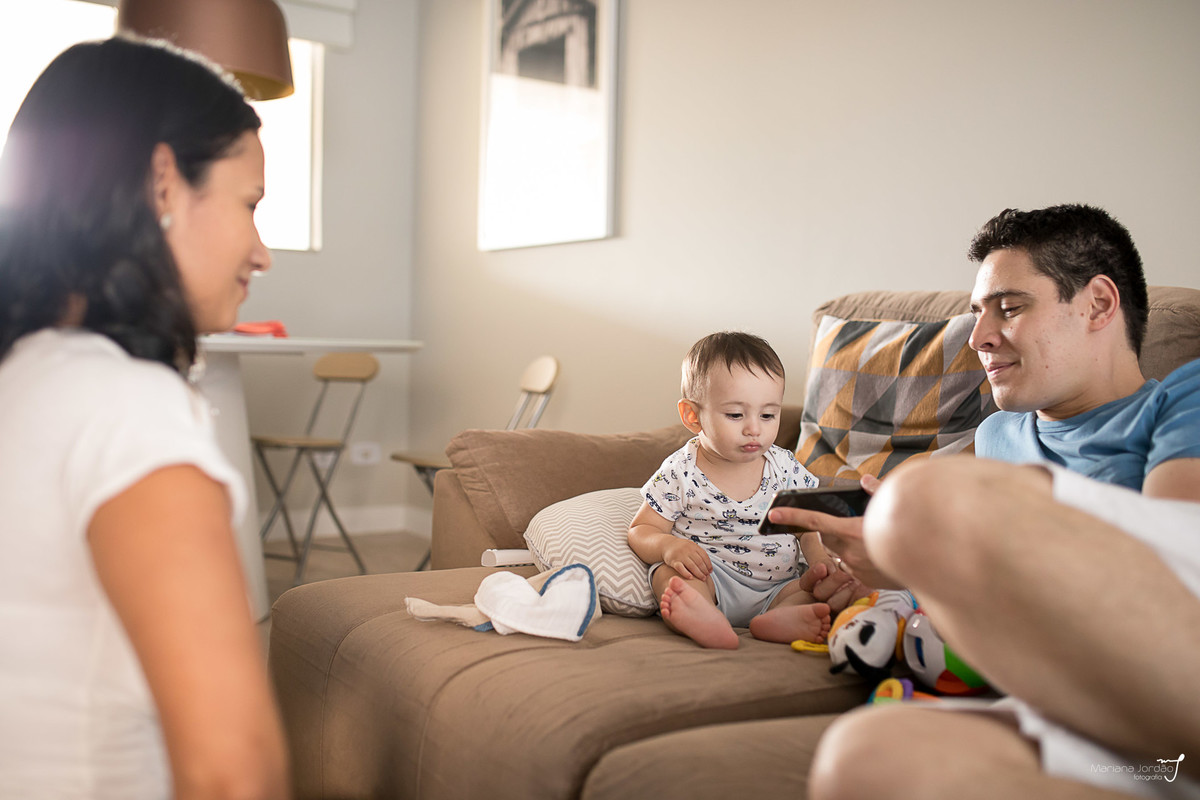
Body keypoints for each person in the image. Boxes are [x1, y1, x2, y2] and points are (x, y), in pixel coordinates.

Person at [767, 205, 1200, 798]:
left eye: (1010, 308)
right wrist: (893, 577)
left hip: (1175, 689)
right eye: (978, 314)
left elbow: (1180, 557)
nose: (979, 338)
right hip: (1109, 744)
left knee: (917, 500)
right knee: (863, 756)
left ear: (1099, 305)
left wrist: (927, 534)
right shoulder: (997, 436)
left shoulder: (1184, 398)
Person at [0, 37, 289, 799]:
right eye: (250, 205)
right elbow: (232, 775)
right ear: (163, 182)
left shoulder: (22, 374)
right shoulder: (124, 406)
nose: (262, 254)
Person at [628, 331, 849, 650]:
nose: (754, 429)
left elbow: (808, 527)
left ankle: (778, 619)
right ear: (692, 416)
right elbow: (641, 530)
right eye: (735, 415)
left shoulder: (784, 467)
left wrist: (820, 561)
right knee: (669, 577)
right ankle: (704, 616)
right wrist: (668, 547)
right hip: (710, 579)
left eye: (768, 415)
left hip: (779, 586)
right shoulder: (681, 471)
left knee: (815, 590)